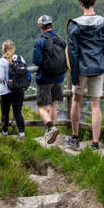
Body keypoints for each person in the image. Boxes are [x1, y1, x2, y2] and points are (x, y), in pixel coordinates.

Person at [66, 0, 104, 151]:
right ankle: (95, 143)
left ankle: (74, 138)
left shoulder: (74, 25)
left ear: (81, 4)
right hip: (98, 68)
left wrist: (74, 77)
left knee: (76, 101)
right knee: (96, 105)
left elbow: (73, 53)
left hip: (80, 69)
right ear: (94, 3)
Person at [33, 15, 67, 144]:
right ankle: (53, 130)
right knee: (53, 104)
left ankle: (51, 128)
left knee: (42, 106)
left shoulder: (40, 42)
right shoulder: (59, 40)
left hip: (45, 78)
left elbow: (36, 60)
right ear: (51, 25)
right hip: (59, 77)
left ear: (41, 26)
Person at [0, 40, 27, 138]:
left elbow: (1, 78)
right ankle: (22, 133)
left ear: (4, 49)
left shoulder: (2, 61)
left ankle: (4, 132)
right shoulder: (20, 58)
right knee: (17, 112)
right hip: (18, 90)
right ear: (13, 48)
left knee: (5, 112)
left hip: (6, 91)